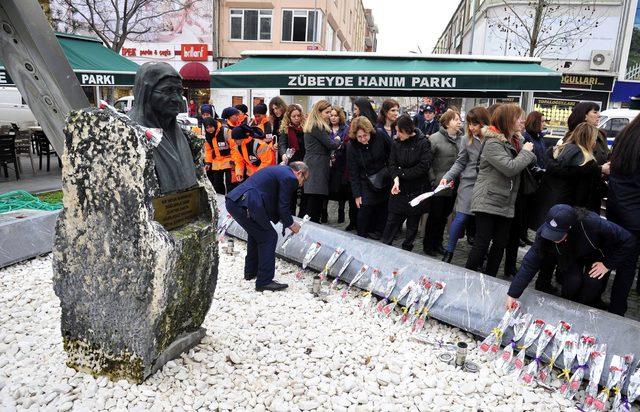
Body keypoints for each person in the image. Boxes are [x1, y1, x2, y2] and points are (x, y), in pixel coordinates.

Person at [505, 204, 635, 315]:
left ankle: (583, 310)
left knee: (592, 283)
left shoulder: (594, 223)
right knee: (572, 281)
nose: (553, 238)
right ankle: (566, 309)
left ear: (571, 227)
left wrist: (608, 264)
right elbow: (530, 263)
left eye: (558, 235)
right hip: (571, 255)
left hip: (596, 254)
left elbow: (628, 240)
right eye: (551, 233)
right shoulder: (543, 233)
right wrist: (513, 294)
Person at [465, 104, 536, 277]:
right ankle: (465, 278)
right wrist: (526, 152)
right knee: (482, 243)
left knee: (500, 244)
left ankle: (490, 280)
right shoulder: (493, 143)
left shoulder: (515, 140)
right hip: (488, 199)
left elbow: (528, 162)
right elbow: (510, 168)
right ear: (508, 120)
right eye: (519, 117)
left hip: (506, 200)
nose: (522, 120)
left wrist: (526, 152)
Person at [225, 162, 309, 292]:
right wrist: (292, 224)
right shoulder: (290, 178)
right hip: (246, 202)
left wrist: (283, 220)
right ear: (299, 173)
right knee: (269, 237)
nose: (301, 184)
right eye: (304, 179)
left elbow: (273, 202)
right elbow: (283, 206)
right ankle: (264, 281)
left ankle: (251, 272)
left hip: (235, 200)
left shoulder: (281, 171)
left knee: (257, 234)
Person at [128, 62, 197, 194]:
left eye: (179, 91)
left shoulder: (180, 135)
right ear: (146, 92)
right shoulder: (129, 134)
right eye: (168, 91)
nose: (178, 99)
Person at [440, 107, 491, 262]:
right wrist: (447, 177)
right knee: (461, 217)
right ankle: (449, 251)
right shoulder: (465, 139)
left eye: (474, 124)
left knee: (482, 222)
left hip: (486, 185)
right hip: (468, 183)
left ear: (483, 123)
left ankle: (480, 255)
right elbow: (460, 162)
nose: (470, 127)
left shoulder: (493, 138)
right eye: (469, 124)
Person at [381, 115, 432, 251]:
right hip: (399, 189)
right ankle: (384, 248)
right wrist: (396, 179)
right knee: (391, 221)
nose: (397, 135)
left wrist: (401, 173)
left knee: (412, 224)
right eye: (396, 131)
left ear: (408, 130)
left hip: (417, 190)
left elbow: (423, 167)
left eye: (400, 131)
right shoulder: (396, 143)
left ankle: (407, 249)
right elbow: (391, 163)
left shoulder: (423, 142)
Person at [607, 114, 640, 309]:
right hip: (634, 212)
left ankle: (593, 296)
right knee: (627, 265)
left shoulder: (624, 136)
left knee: (610, 253)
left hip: (615, 206)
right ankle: (617, 307)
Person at [422, 109, 464, 256]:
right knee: (435, 216)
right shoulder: (434, 139)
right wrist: (433, 180)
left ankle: (438, 243)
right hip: (438, 185)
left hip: (454, 186)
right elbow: (427, 163)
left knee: (444, 217)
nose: (459, 122)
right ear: (447, 123)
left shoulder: (462, 139)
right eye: (456, 119)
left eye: (459, 119)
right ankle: (428, 245)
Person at [346, 116, 392, 239]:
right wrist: (357, 194)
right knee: (364, 208)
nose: (362, 139)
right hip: (365, 180)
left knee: (383, 208)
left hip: (383, 177)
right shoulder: (352, 145)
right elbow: (353, 171)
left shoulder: (380, 135)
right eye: (359, 137)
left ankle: (379, 233)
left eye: (365, 135)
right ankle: (361, 236)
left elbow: (392, 151)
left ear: (369, 131)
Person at [565, 102, 610, 212]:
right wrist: (600, 169)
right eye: (595, 112)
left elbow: (607, 155)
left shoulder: (601, 135)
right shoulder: (573, 137)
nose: (599, 115)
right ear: (584, 116)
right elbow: (573, 167)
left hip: (595, 189)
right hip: (578, 194)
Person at [303, 100, 342, 223]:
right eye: (327, 112)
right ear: (318, 113)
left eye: (330, 112)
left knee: (313, 198)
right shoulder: (317, 126)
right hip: (317, 165)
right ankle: (311, 227)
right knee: (315, 199)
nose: (330, 115)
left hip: (314, 163)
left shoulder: (313, 125)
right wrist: (337, 139)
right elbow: (331, 144)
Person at [328, 106, 354, 226]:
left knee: (341, 188)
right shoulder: (326, 128)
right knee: (328, 187)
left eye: (335, 115)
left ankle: (341, 211)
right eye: (331, 115)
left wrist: (340, 145)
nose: (333, 118)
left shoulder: (346, 129)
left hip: (341, 162)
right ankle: (324, 212)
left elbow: (347, 143)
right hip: (328, 163)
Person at [279, 104, 307, 216]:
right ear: (289, 117)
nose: (296, 118)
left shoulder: (305, 128)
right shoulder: (286, 130)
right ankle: (290, 215)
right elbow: (282, 145)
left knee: (304, 191)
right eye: (293, 116)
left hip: (304, 163)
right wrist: (283, 154)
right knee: (291, 192)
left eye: (298, 116)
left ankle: (302, 216)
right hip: (291, 165)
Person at [203, 117, 237, 194]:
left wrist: (234, 160)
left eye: (211, 126)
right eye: (207, 128)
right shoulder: (207, 136)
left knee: (230, 183)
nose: (209, 129)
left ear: (214, 125)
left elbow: (234, 147)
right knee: (217, 185)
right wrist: (208, 162)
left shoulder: (226, 132)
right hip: (216, 163)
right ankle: (221, 198)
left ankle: (231, 199)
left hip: (229, 161)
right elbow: (208, 150)